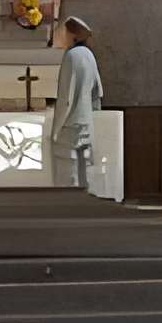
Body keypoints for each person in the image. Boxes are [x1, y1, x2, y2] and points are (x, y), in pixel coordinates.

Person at [51, 16, 102, 192]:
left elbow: (66, 98)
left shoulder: (71, 56)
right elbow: (98, 92)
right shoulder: (89, 55)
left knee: (68, 173)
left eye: (61, 31)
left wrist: (56, 129)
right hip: (86, 123)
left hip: (70, 125)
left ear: (71, 34)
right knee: (86, 172)